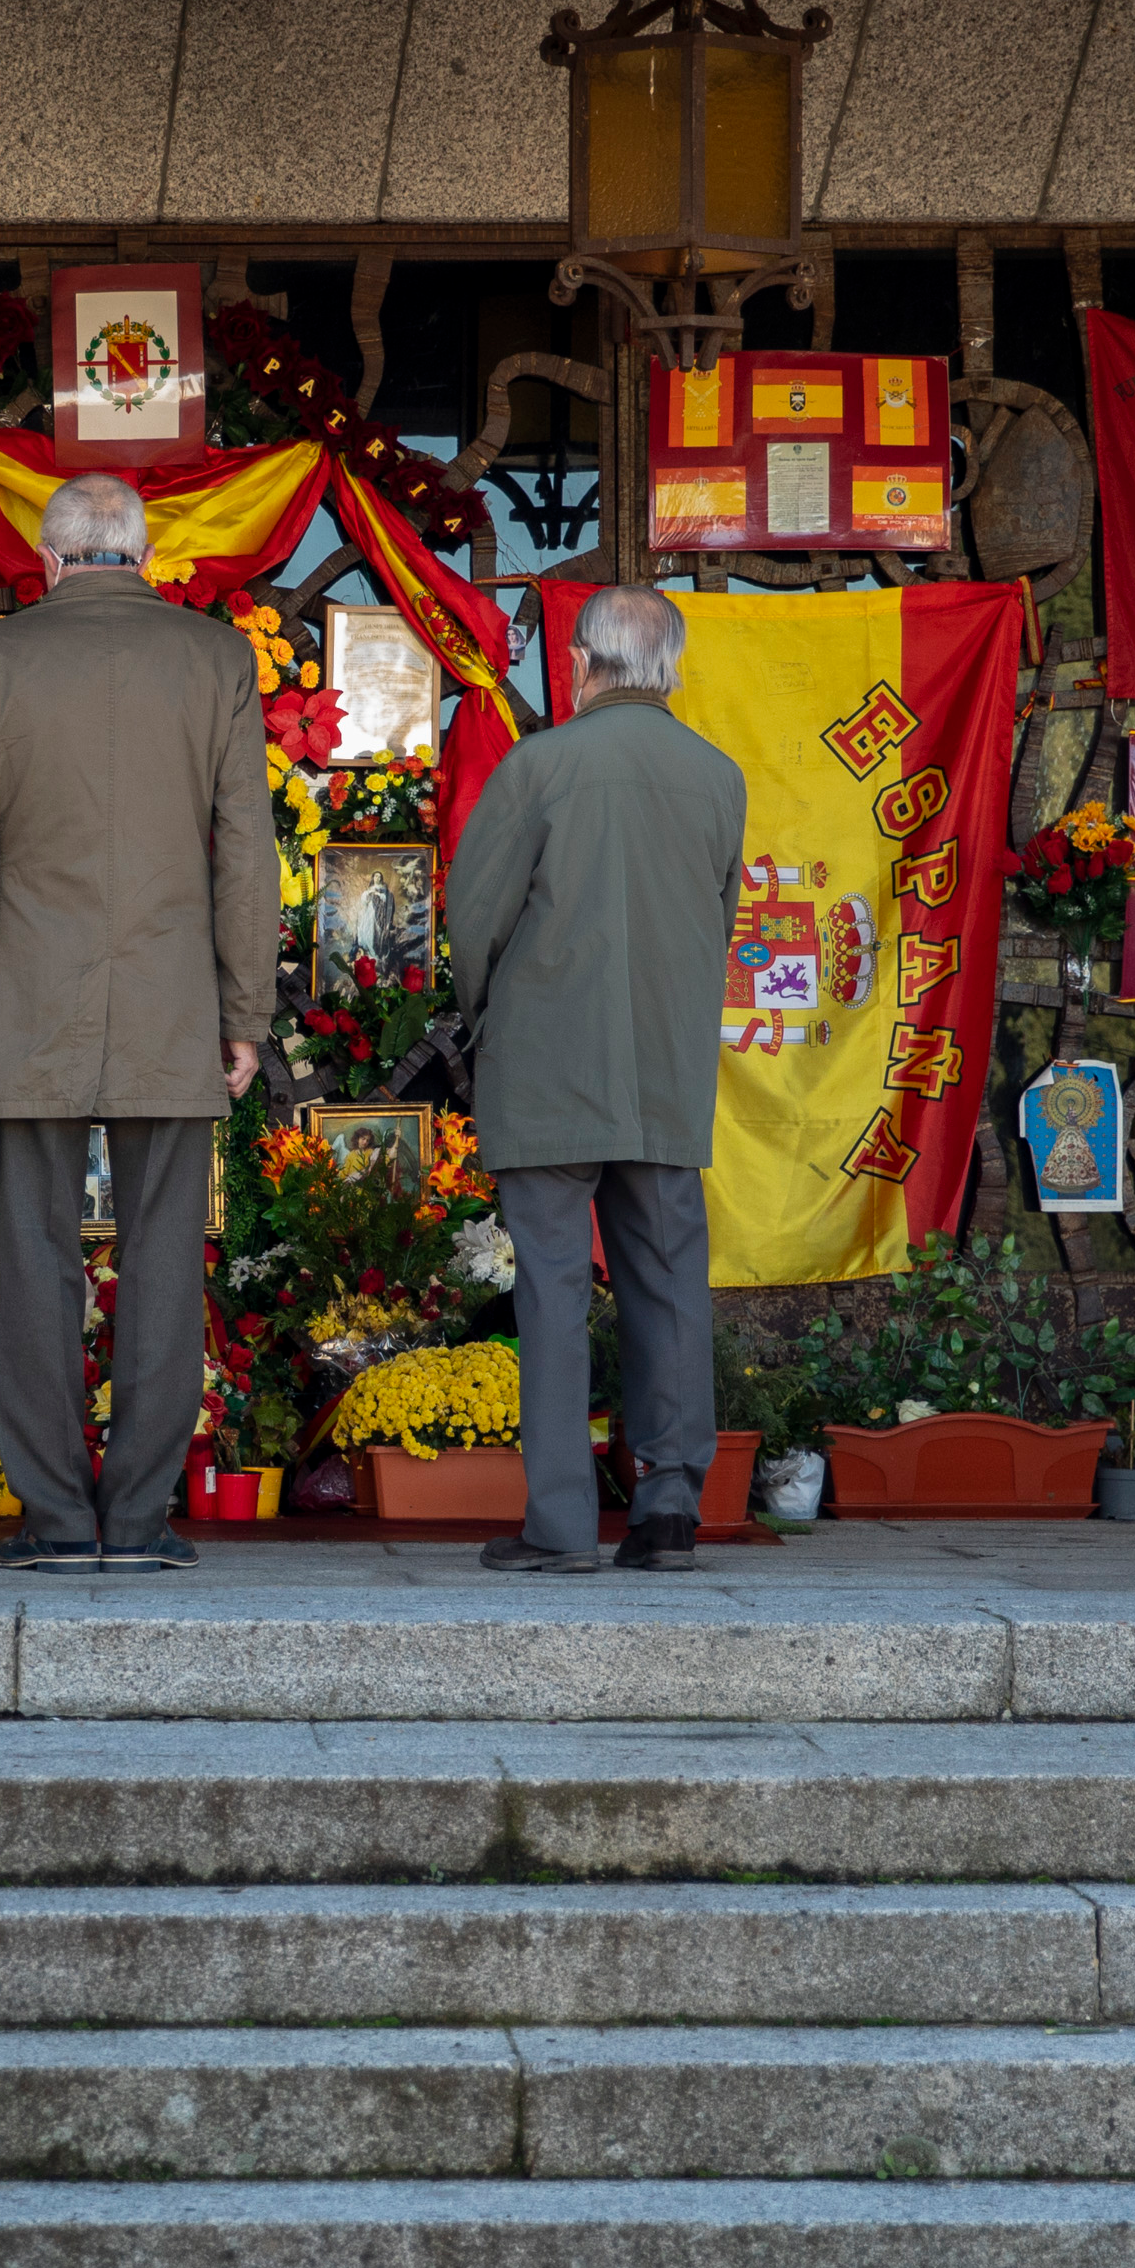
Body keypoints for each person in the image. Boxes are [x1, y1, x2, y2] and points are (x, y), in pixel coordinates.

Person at [0, 470, 280, 1571]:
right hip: (173, 996)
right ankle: (137, 1518)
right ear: (140, 551)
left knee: (35, 1261)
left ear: (49, 555)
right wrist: (245, 1009)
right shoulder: (214, 657)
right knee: (164, 1260)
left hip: (29, 1000)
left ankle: (55, 1520)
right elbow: (245, 850)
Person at [444, 582, 751, 1572]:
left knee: (551, 1288)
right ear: (670, 667)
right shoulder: (715, 776)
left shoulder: (539, 766)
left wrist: (479, 1013)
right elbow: (721, 919)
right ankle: (667, 1510)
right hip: (662, 1062)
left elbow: (473, 921)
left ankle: (562, 1523)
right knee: (667, 1283)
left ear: (576, 661)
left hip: (544, 1059)